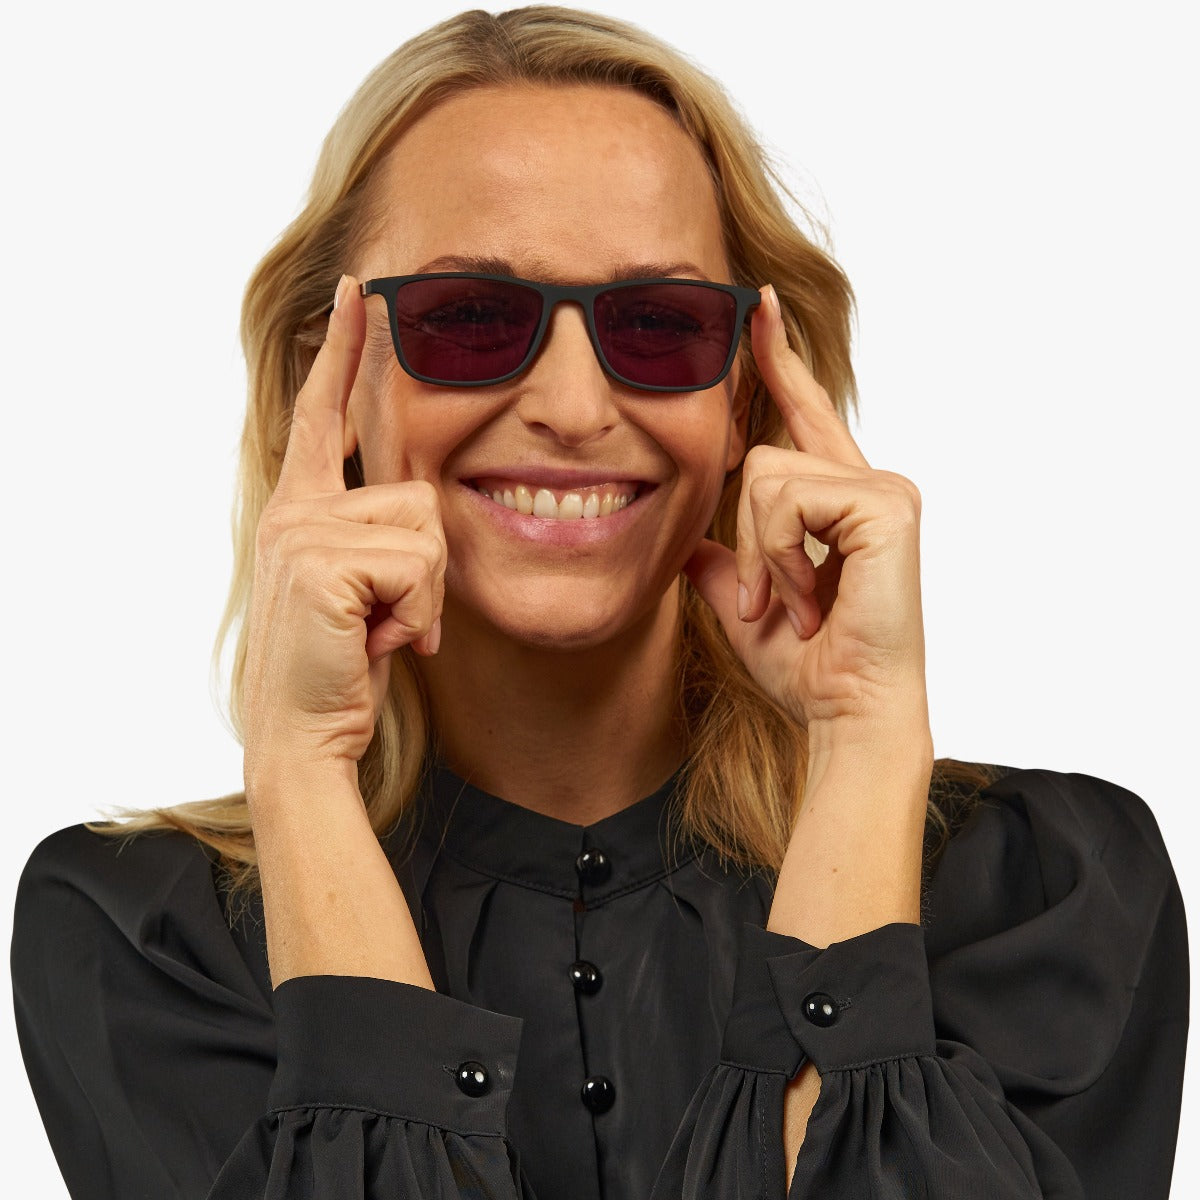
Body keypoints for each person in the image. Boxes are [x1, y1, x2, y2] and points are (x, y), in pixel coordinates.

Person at [10, 6, 1187, 1199]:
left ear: (744, 398)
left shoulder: (1050, 898)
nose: (573, 409)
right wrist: (300, 774)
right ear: (332, 376)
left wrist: (863, 743)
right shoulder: (142, 941)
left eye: (660, 324)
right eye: (470, 318)